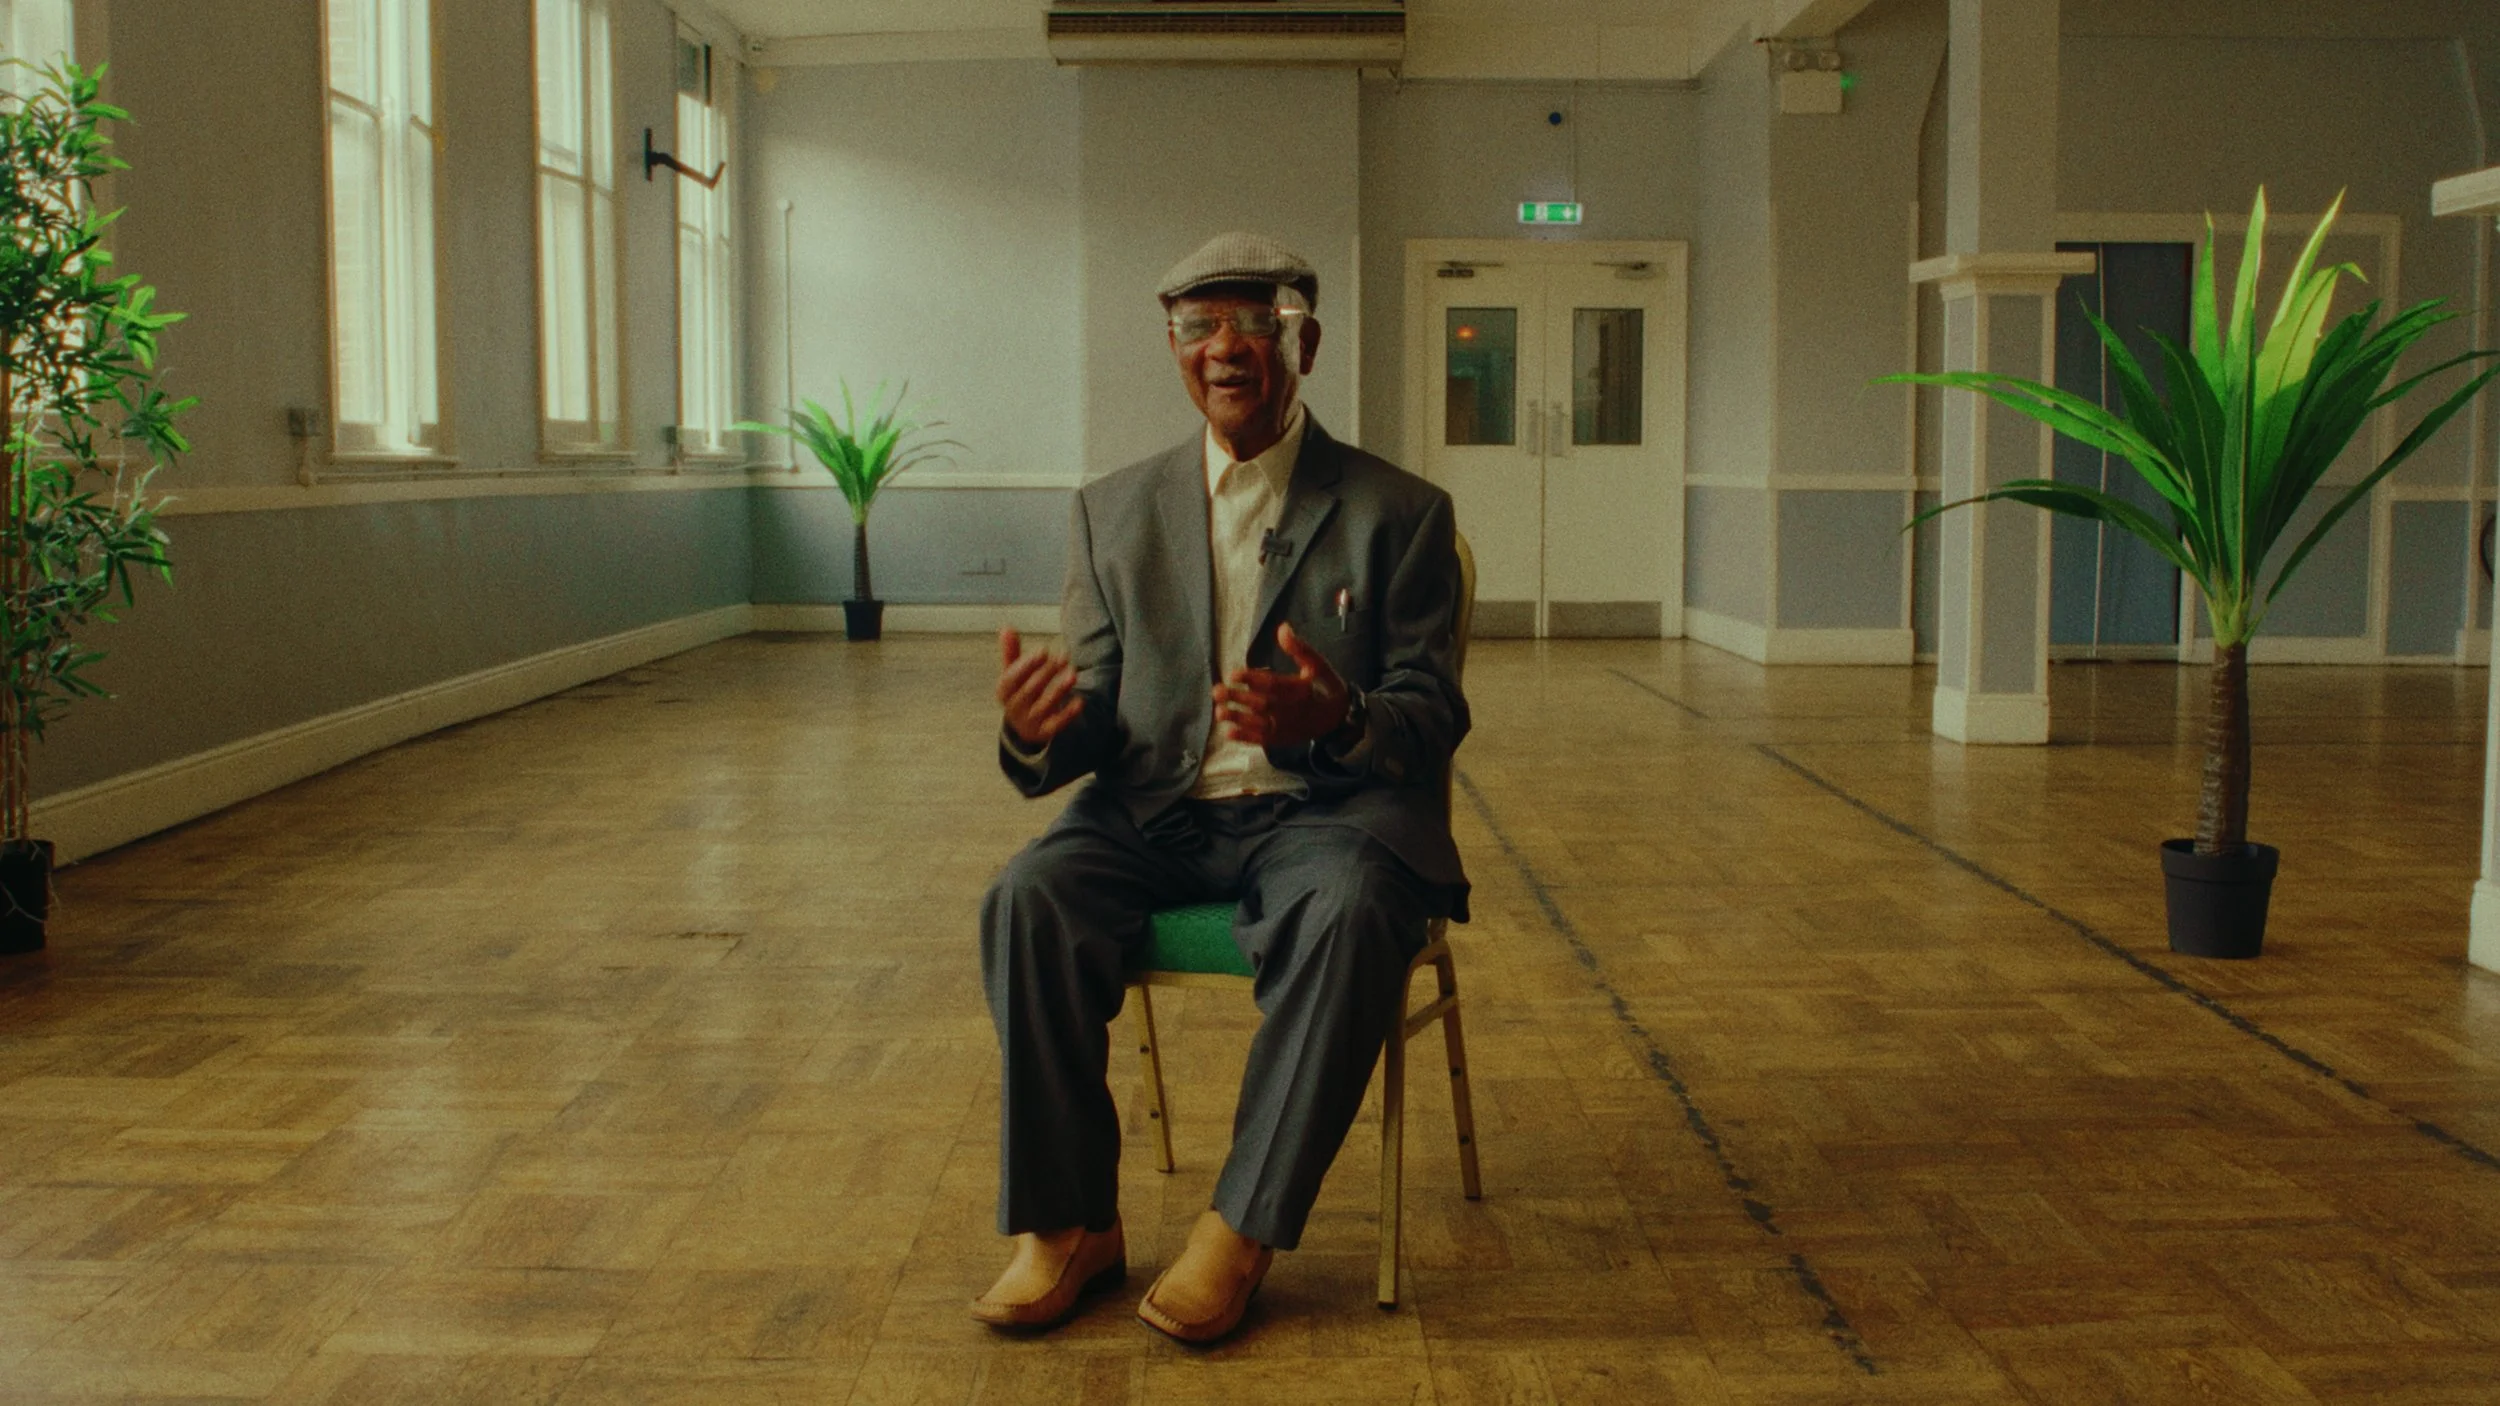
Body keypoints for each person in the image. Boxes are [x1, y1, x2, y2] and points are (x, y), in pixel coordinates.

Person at [973, 231, 1470, 1344]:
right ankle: (1069, 1225)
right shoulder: (1111, 509)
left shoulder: (1400, 511)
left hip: (1326, 816)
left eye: (1254, 321)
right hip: (1155, 810)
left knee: (1352, 909)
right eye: (1198, 326)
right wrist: (1039, 731)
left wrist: (1340, 716)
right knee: (1027, 899)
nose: (1225, 346)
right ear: (1174, 348)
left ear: (1306, 343)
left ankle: (1239, 1230)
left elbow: (1433, 712)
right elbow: (1098, 706)